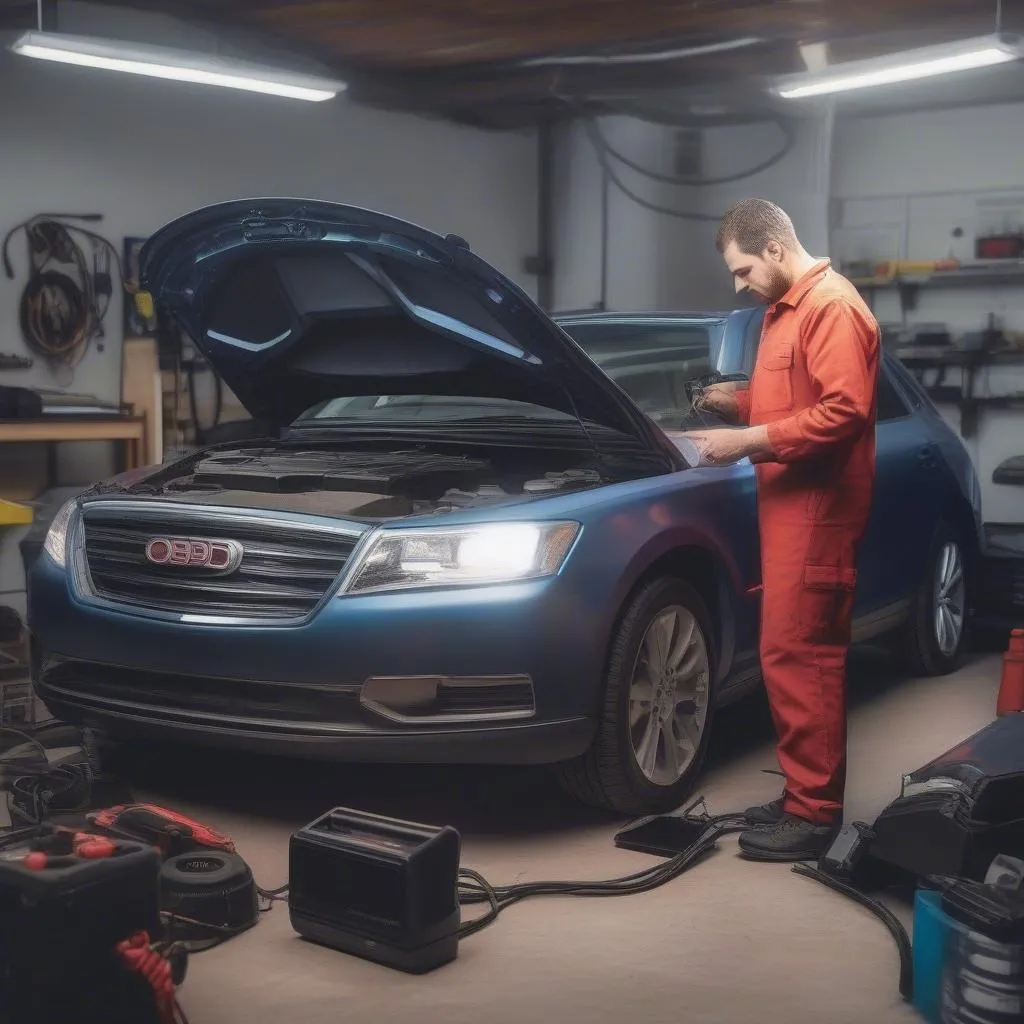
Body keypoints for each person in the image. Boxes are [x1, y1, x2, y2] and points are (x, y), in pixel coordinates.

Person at [682, 198, 880, 861]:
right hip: (790, 508)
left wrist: (745, 440)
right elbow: (797, 396)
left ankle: (815, 815)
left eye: (741, 270)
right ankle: (803, 794)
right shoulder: (786, 311)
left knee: (805, 657)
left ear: (773, 249)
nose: (738, 284)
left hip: (818, 511)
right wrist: (735, 402)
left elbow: (843, 411)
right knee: (786, 655)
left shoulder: (832, 307)